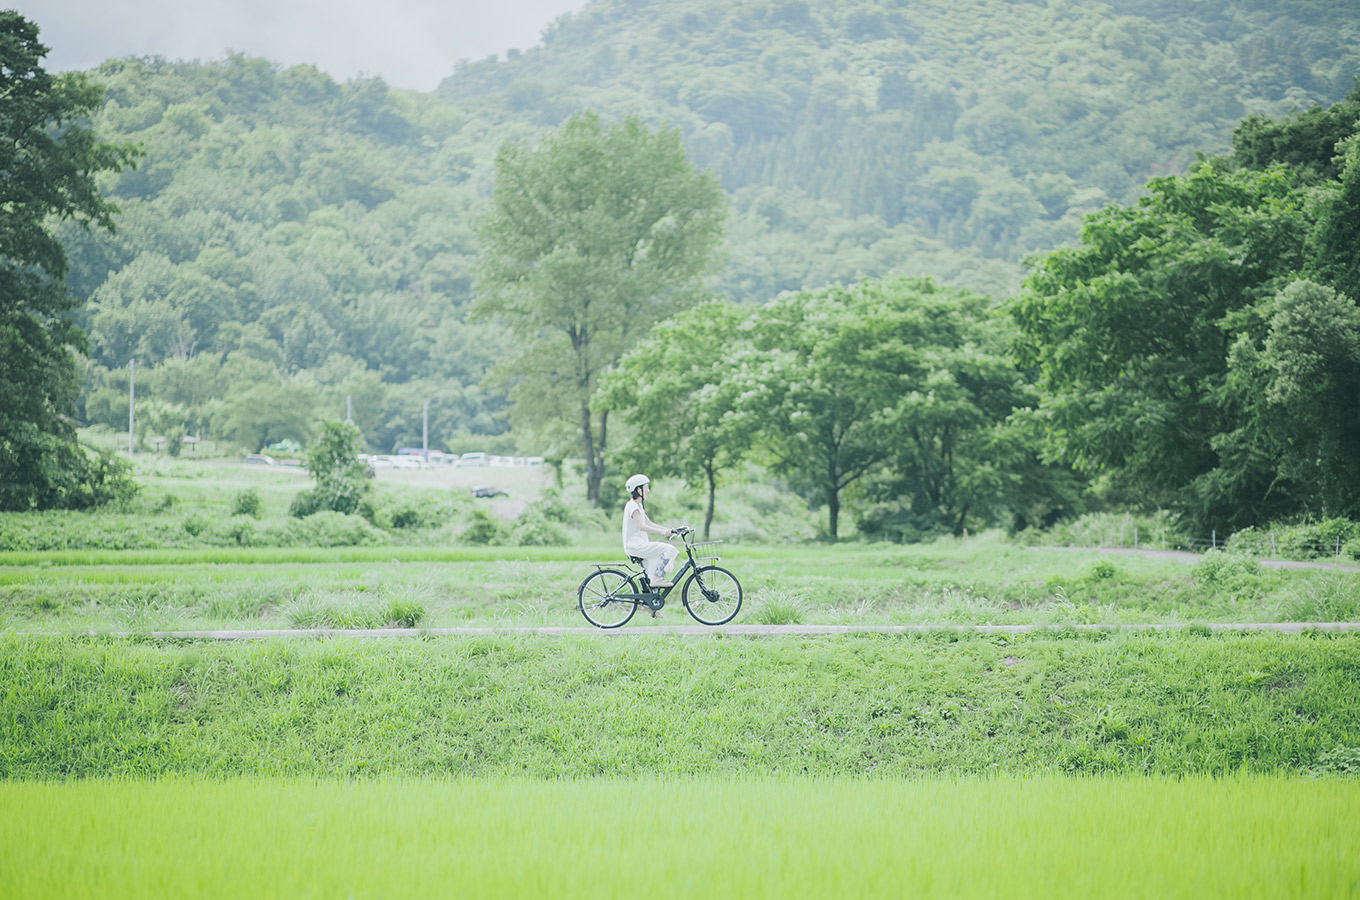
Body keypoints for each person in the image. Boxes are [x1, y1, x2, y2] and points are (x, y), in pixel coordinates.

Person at [622, 474, 679, 603]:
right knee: (669, 549)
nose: (648, 490)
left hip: (639, 545)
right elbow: (641, 526)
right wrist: (662, 532)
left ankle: (649, 606)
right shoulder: (633, 506)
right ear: (638, 490)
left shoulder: (638, 506)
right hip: (635, 546)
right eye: (646, 487)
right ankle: (657, 578)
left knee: (650, 577)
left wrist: (668, 530)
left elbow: (649, 523)